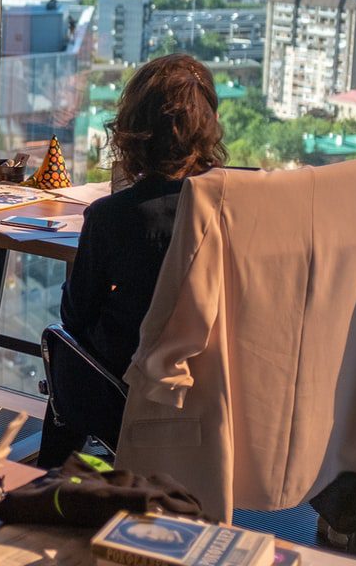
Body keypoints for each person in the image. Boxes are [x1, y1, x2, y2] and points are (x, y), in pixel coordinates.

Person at [42, 54, 226, 465]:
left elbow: (75, 316)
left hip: (133, 394)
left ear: (132, 130)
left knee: (60, 341)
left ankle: (48, 491)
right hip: (222, 388)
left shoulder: (113, 216)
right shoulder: (235, 204)